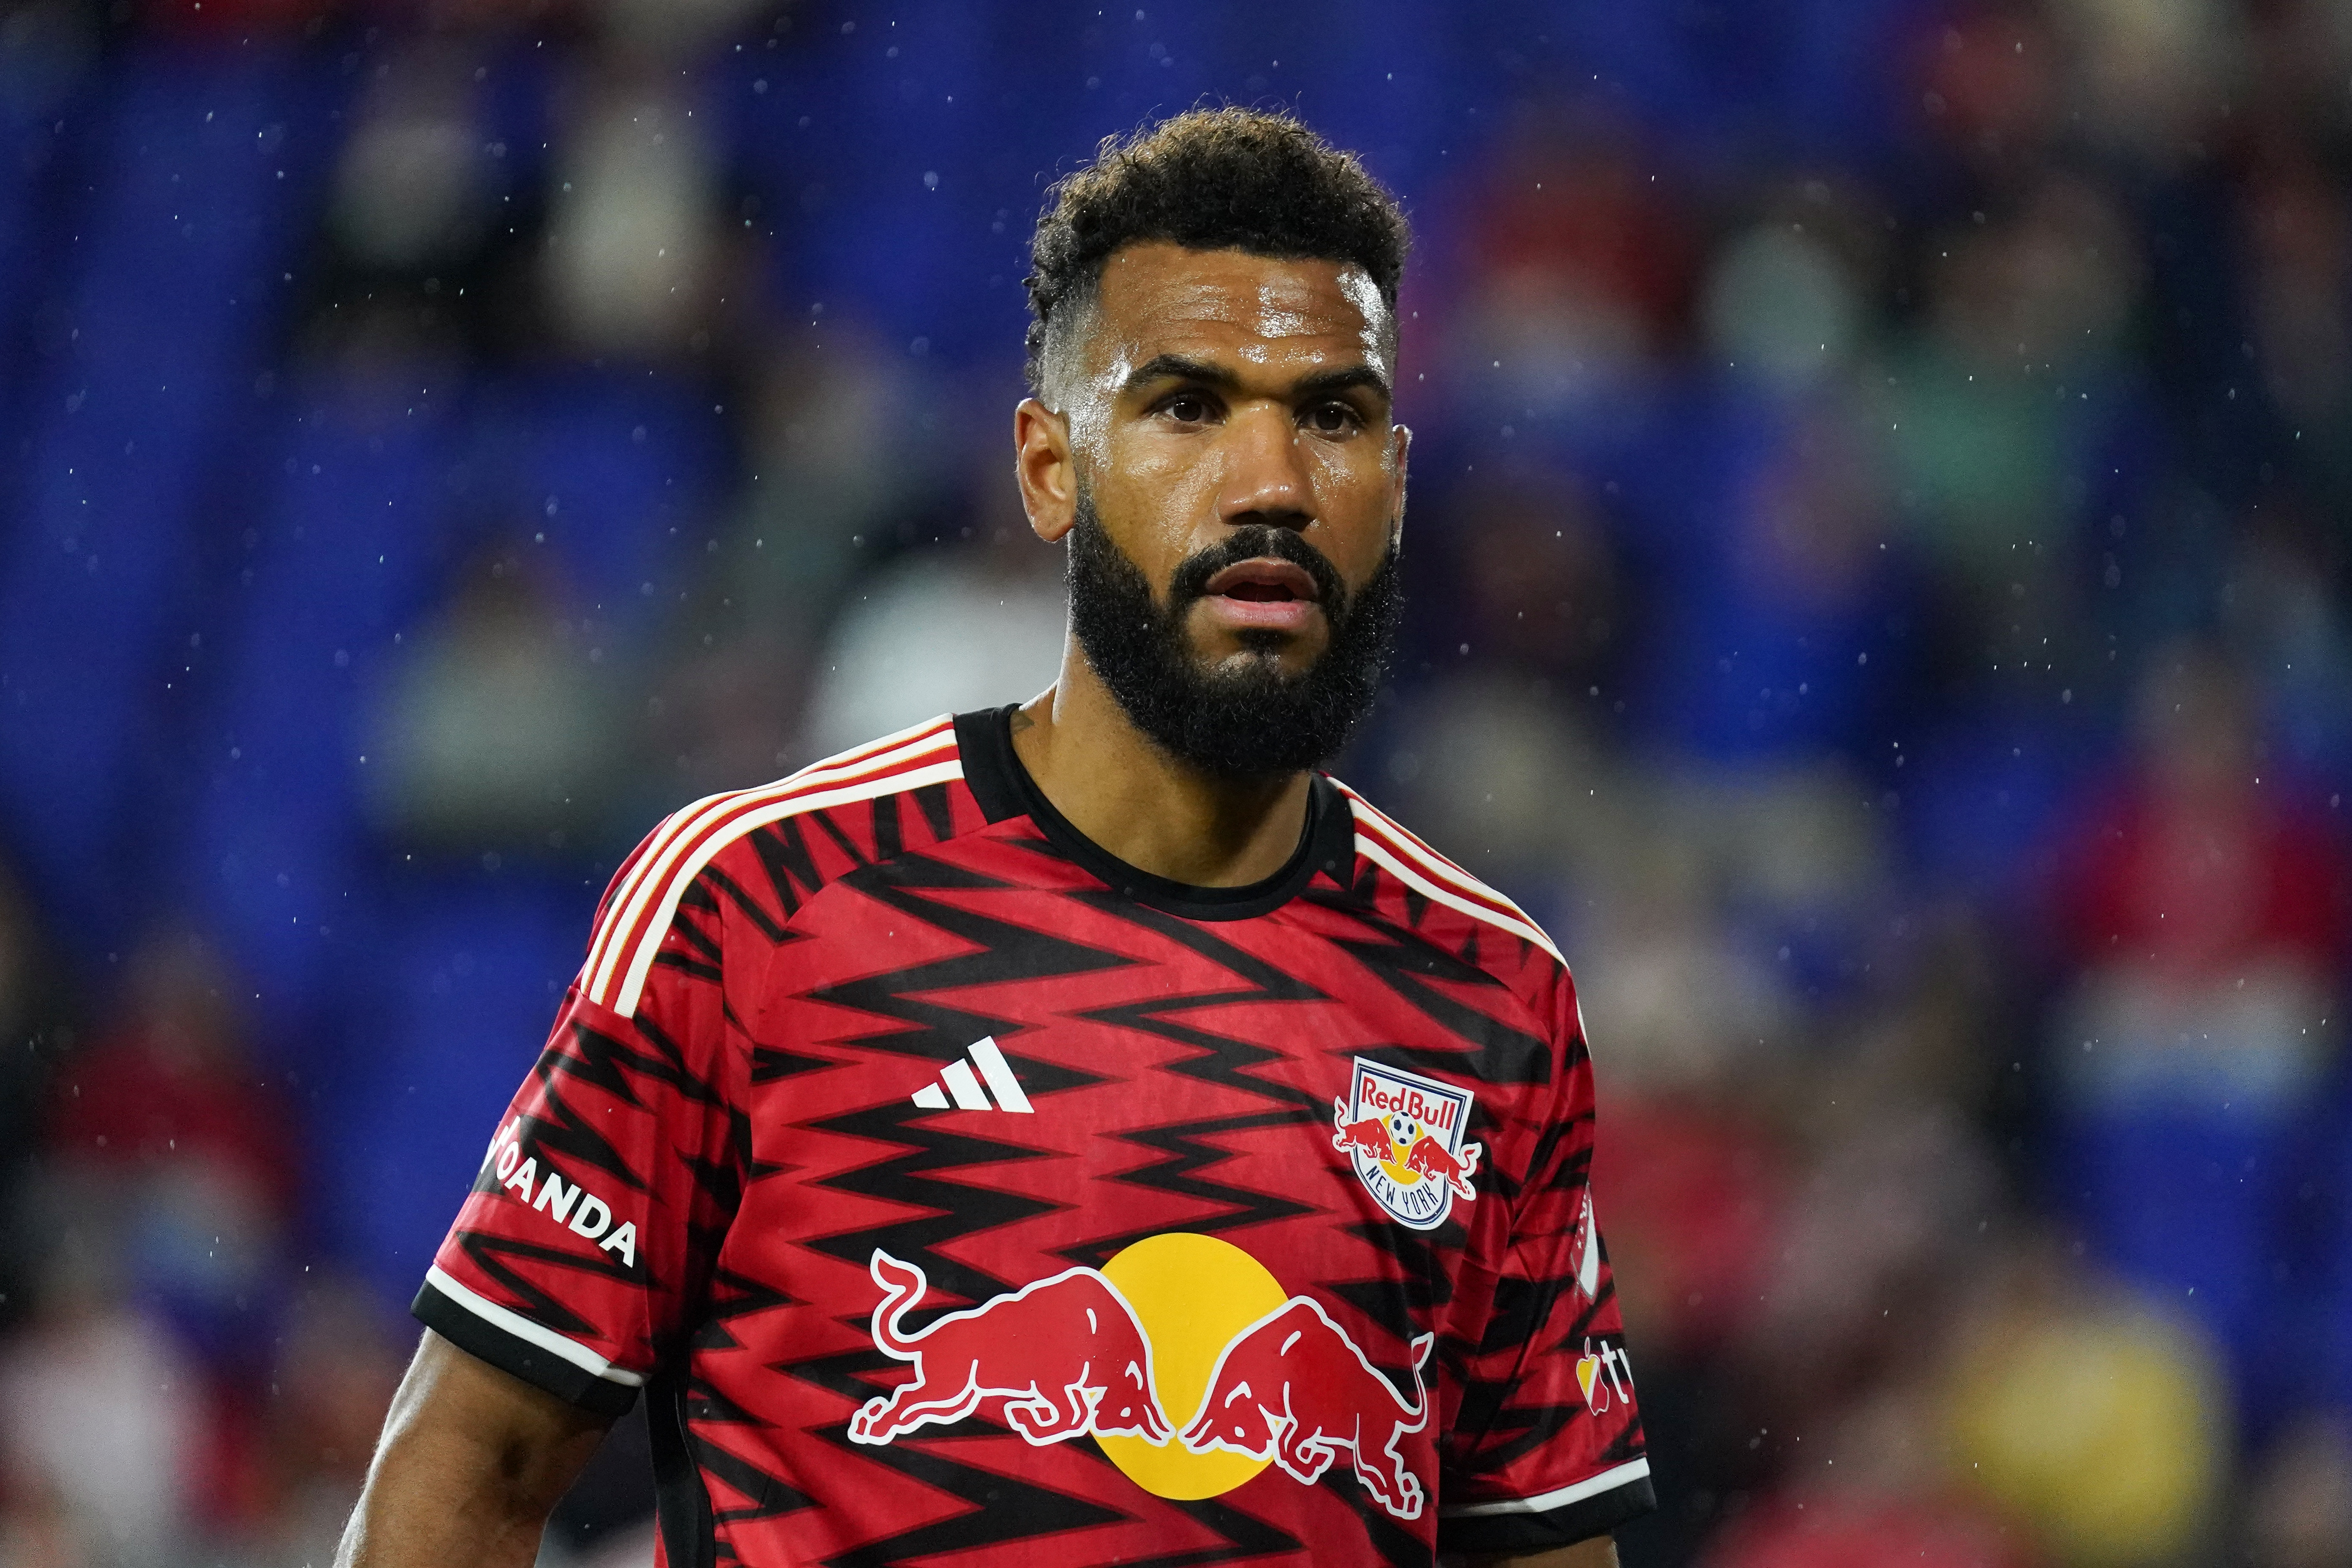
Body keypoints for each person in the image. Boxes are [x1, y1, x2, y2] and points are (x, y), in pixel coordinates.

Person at [335, 108, 1652, 1568]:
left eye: (1330, 416)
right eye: (1187, 407)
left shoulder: (1493, 994)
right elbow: (469, 1466)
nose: (1271, 481)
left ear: (1392, 484)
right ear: (1047, 468)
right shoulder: (759, 905)